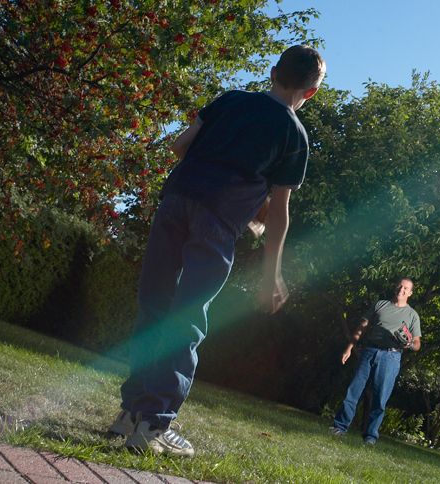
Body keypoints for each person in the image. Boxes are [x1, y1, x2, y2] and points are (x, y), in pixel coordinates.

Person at [107, 45, 326, 457]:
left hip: (176, 201)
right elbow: (279, 214)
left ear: (273, 71)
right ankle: (154, 424)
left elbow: (180, 145)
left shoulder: (232, 100)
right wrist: (270, 275)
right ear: (310, 93)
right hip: (217, 223)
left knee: (153, 308)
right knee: (187, 318)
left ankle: (129, 416)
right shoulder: (294, 135)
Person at [330, 278, 421, 445]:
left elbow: (417, 344)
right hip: (369, 351)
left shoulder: (412, 315)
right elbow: (362, 327)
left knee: (380, 399)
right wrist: (350, 347)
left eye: (406, 288)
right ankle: (339, 427)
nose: (401, 289)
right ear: (396, 287)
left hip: (391, 357)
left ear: (410, 293)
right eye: (399, 285)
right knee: (353, 390)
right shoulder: (380, 305)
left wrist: (409, 344)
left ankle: (370, 437)